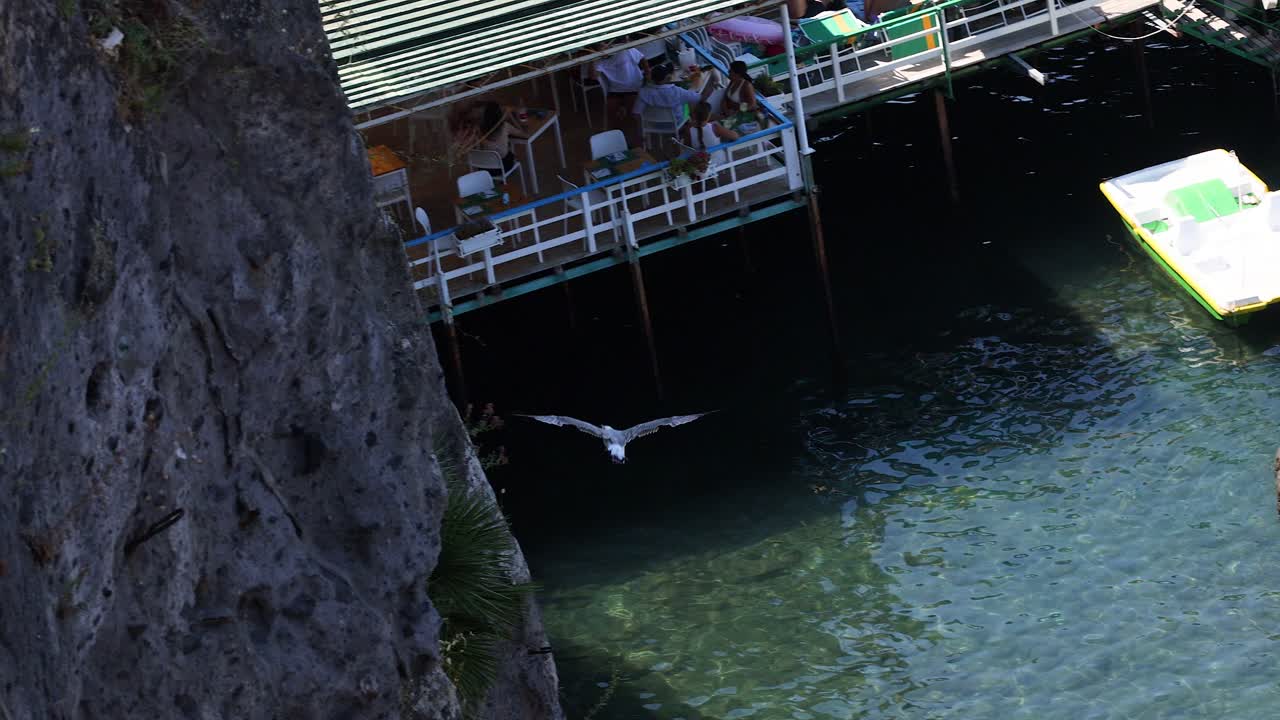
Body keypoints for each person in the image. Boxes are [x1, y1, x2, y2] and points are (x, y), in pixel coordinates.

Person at [633, 64, 718, 133]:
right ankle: (690, 127)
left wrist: (640, 132)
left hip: (652, 124)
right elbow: (701, 98)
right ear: (667, 77)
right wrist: (713, 84)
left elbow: (636, 114)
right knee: (689, 102)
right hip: (675, 124)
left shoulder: (643, 92)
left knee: (687, 99)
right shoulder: (677, 91)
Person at [591, 45, 649, 124]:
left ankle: (630, 126)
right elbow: (593, 77)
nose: (604, 48)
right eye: (600, 46)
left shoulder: (625, 50)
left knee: (633, 114)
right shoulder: (599, 61)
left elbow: (642, 58)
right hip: (615, 90)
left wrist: (647, 73)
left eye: (605, 44)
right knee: (611, 114)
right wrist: (593, 58)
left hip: (634, 87)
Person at [467, 101, 526, 176]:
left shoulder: (479, 128)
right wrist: (511, 117)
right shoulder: (505, 126)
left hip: (483, 168)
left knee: (505, 150)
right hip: (502, 168)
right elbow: (524, 134)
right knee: (509, 153)